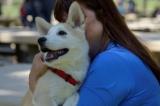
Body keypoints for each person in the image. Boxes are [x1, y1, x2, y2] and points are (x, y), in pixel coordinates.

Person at [29, 0, 160, 105]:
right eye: (63, 24)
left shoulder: (111, 62)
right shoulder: (116, 52)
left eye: (77, 20)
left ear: (103, 16)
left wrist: (35, 81)